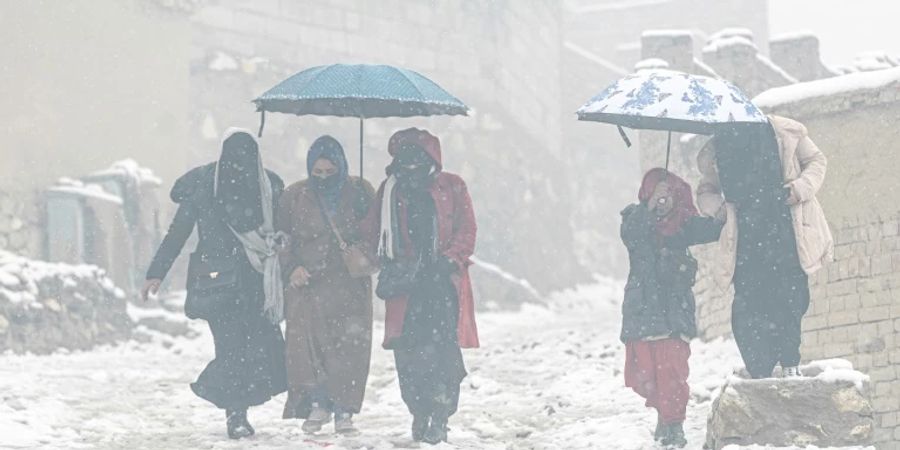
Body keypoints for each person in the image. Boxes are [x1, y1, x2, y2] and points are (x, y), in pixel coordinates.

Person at [141, 128, 287, 439]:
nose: (239, 166)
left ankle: (236, 406)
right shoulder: (205, 187)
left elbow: (285, 229)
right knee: (232, 349)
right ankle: (235, 414)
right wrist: (157, 271)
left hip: (257, 284)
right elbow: (178, 232)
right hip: (219, 286)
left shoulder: (269, 187)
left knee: (257, 350)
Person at [364, 128, 479, 445]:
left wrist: (450, 259)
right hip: (405, 289)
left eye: (417, 157)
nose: (410, 165)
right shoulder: (389, 191)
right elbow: (373, 234)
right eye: (404, 158)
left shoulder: (452, 186)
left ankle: (440, 416)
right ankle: (418, 410)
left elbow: (466, 229)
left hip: (442, 286)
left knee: (444, 354)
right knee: (409, 355)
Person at [696, 116, 833, 379]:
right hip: (746, 238)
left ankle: (790, 362)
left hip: (785, 230)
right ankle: (760, 367)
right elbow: (706, 190)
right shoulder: (718, 146)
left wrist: (799, 189)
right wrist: (719, 208)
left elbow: (817, 161)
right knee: (748, 308)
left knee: (791, 300)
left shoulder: (785, 131)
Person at [276, 136, 375, 435]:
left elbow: (375, 233)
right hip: (309, 286)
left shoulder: (360, 191)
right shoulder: (294, 196)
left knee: (350, 349)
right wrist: (291, 267)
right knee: (309, 347)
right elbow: (281, 239)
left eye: (330, 173)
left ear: (341, 167)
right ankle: (318, 402)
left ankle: (345, 408)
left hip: (349, 284)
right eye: (317, 172)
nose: (322, 179)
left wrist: (360, 248)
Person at [620, 168, 724, 448]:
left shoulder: (682, 224)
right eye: (657, 192)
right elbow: (632, 235)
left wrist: (725, 209)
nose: (663, 199)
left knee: (673, 372)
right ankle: (663, 415)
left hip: (673, 311)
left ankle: (674, 424)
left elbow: (714, 229)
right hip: (642, 312)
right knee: (647, 375)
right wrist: (650, 207)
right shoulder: (634, 218)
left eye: (668, 193)